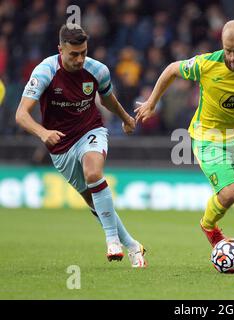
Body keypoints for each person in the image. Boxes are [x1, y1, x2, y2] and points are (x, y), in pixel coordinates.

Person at [135, 19, 234, 272]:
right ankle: (208, 225)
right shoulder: (206, 64)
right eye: (228, 51)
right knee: (229, 194)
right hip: (209, 136)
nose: (233, 58)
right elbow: (171, 69)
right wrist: (151, 102)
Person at [15, 24, 147, 267]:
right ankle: (132, 245)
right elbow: (21, 114)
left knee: (93, 173)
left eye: (83, 53)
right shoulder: (45, 71)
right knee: (93, 199)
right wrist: (42, 133)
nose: (79, 59)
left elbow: (108, 100)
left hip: (90, 130)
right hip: (59, 144)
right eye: (73, 54)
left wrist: (126, 118)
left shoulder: (98, 70)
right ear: (60, 50)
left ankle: (112, 241)